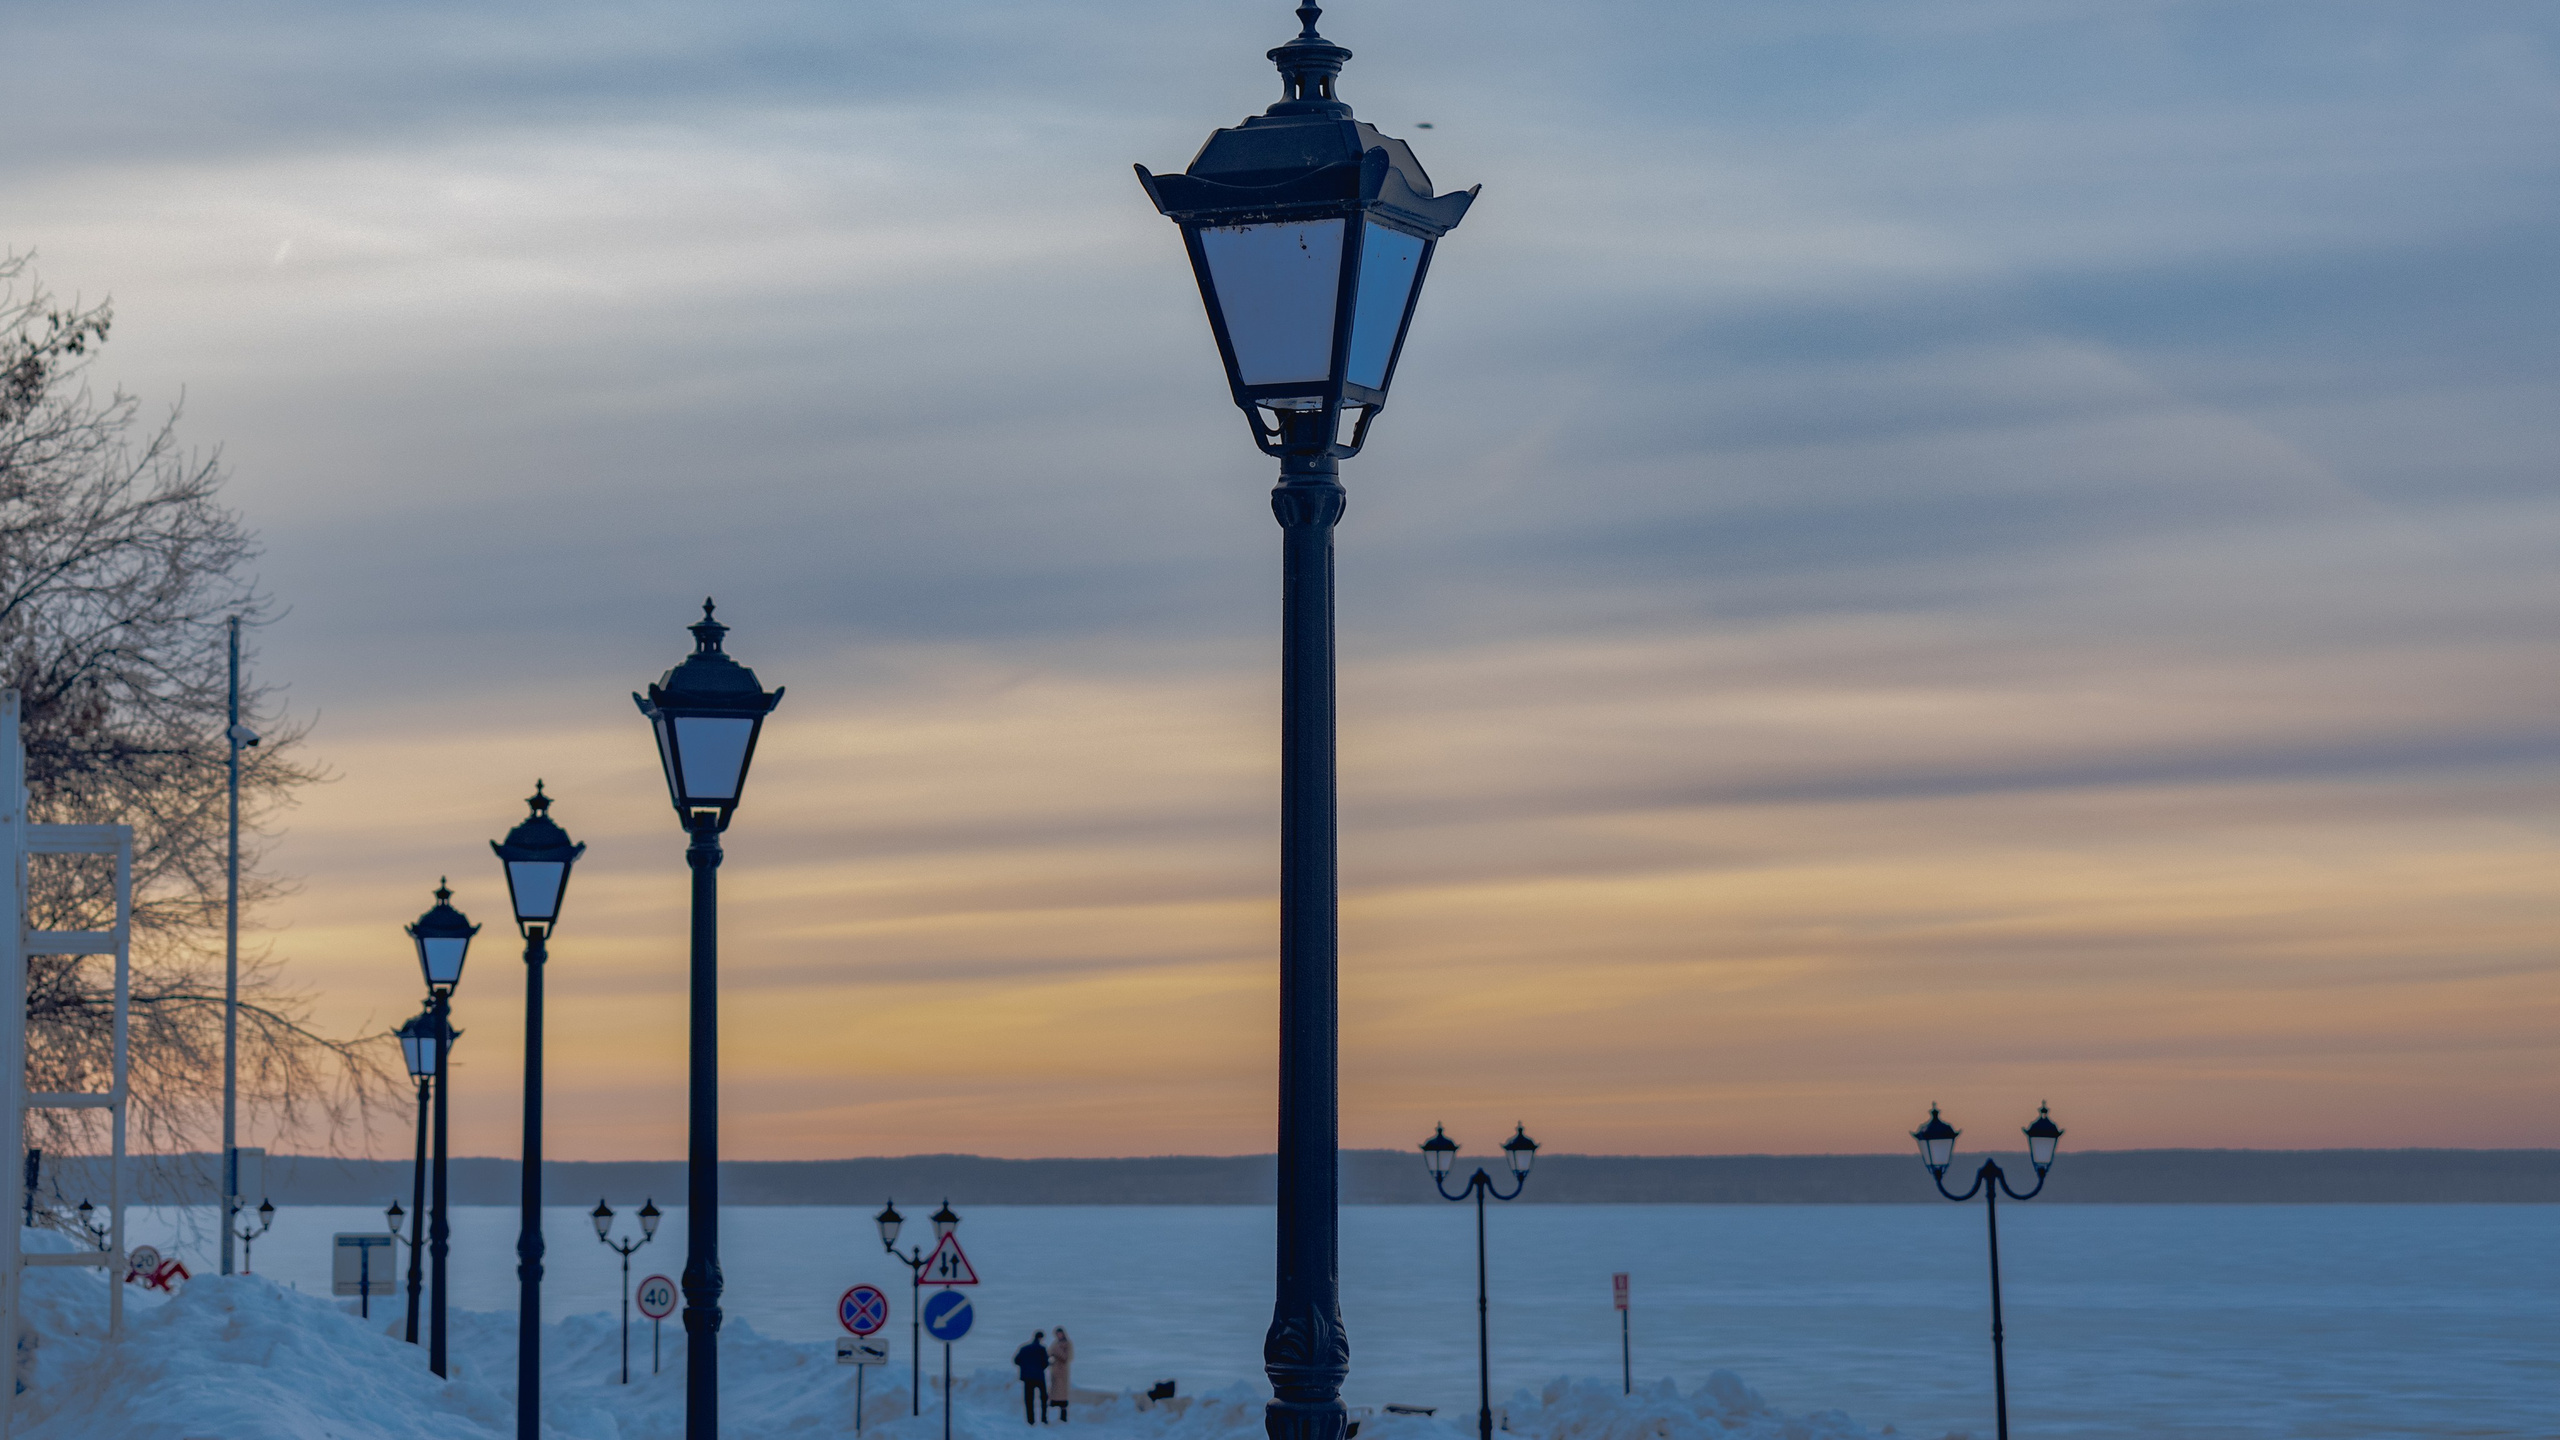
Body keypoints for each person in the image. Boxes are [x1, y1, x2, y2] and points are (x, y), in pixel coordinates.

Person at [1013, 1331, 1051, 1424]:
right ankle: (1043, 1418)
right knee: (1043, 1398)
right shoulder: (1042, 1349)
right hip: (1039, 1377)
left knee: (1029, 1399)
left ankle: (1030, 1420)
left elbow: (1016, 1360)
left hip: (1027, 1378)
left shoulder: (1024, 1348)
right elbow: (1046, 1363)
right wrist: (1040, 1368)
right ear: (1041, 1338)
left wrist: (1025, 1366)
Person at [1047, 1326, 1076, 1423]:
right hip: (1055, 1371)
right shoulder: (1055, 1343)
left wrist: (1057, 1351)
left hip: (1062, 1372)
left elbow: (1067, 1358)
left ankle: (1063, 1416)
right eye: (1057, 1334)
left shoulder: (1067, 1344)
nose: (1058, 1336)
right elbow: (1049, 1353)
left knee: (1062, 1395)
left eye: (1060, 1334)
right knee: (1054, 1393)